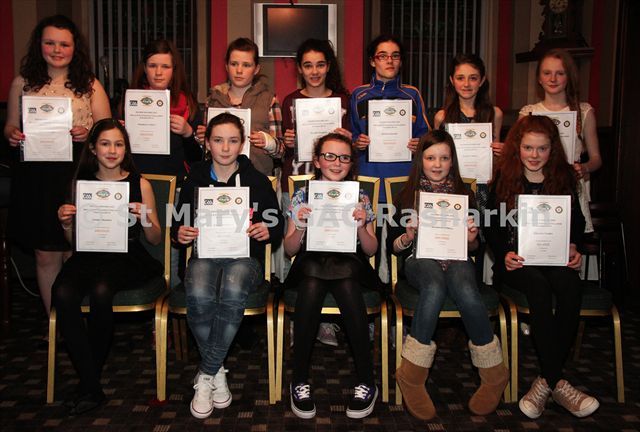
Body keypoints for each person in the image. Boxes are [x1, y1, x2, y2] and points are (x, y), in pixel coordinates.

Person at [387, 130, 509, 420]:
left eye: (444, 158)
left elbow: (476, 248)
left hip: (457, 258)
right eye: (431, 158)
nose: (437, 164)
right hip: (420, 259)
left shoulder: (465, 195)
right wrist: (407, 235)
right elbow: (393, 246)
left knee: (466, 288)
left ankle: (494, 373)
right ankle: (412, 375)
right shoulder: (406, 195)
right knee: (434, 285)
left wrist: (472, 238)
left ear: (452, 160)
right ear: (421, 160)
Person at [484, 115, 599, 419]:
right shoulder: (504, 177)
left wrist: (573, 246)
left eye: (542, 148)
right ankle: (558, 382)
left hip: (553, 259)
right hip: (517, 264)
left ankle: (547, 380)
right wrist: (504, 253)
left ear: (553, 150)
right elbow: (492, 226)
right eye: (528, 148)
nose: (534, 155)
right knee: (537, 285)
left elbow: (576, 222)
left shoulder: (564, 178)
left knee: (570, 284)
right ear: (517, 148)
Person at [173, 113, 284, 419]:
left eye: (233, 141)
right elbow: (179, 222)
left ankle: (206, 374)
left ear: (242, 144)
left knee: (233, 286)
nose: (225, 147)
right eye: (218, 140)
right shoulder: (194, 179)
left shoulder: (256, 180)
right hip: (205, 256)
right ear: (207, 143)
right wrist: (180, 233)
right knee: (198, 290)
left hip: (244, 259)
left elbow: (276, 223)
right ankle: (218, 370)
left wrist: (267, 229)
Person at [53, 119, 163, 415]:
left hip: (126, 256)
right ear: (92, 148)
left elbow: (155, 238)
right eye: (105, 144)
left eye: (118, 144)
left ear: (126, 149)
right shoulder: (80, 184)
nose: (112, 150)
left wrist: (145, 217)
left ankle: (88, 386)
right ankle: (91, 384)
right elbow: (73, 241)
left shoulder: (140, 184)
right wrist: (66, 223)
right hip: (88, 255)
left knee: (102, 291)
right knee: (62, 293)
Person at [3, 15, 111, 317]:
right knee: (44, 254)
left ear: (75, 47)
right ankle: (57, 324)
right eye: (50, 43)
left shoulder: (90, 85)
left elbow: (107, 131)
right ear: (39, 45)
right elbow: (10, 125)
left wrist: (88, 132)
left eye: (64, 44)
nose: (57, 49)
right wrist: (12, 134)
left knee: (74, 251)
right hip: (35, 177)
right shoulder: (22, 83)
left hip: (76, 174)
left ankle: (78, 321)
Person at [284, 133, 379, 419]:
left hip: (350, 262)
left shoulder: (360, 196)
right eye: (329, 156)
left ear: (351, 163)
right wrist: (300, 225)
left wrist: (362, 225)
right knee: (313, 280)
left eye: (344, 158)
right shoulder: (303, 195)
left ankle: (366, 381)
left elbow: (371, 249)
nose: (337, 163)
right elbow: (290, 249)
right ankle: (299, 380)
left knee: (344, 280)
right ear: (317, 161)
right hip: (310, 262)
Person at [280, 38, 352, 345]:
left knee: (332, 248)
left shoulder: (344, 100)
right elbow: (282, 149)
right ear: (300, 68)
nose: (314, 71)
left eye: (320, 64)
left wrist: (349, 137)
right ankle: (301, 316)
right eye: (308, 65)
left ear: (328, 66)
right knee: (299, 252)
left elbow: (352, 149)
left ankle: (326, 322)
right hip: (298, 181)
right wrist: (285, 141)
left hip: (334, 185)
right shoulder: (289, 101)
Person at [519, 48, 602, 233]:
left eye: (560, 73)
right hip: (536, 187)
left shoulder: (584, 112)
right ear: (539, 78)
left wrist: (584, 168)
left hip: (570, 186)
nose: (553, 79)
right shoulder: (528, 113)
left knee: (570, 237)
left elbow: (596, 159)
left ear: (569, 76)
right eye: (547, 73)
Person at [350, 34, 430, 203]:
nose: (389, 61)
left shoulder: (412, 94)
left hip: (403, 176)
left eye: (395, 56)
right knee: (369, 220)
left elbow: (426, 136)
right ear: (372, 61)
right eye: (382, 56)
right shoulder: (358, 95)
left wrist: (420, 144)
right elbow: (351, 134)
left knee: (402, 220)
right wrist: (357, 143)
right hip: (368, 176)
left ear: (401, 61)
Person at [196, 38, 283, 176]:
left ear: (256, 69)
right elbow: (206, 149)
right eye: (234, 64)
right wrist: (202, 138)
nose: (239, 70)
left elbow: (281, 151)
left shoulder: (269, 100)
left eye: (246, 65)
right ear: (226, 66)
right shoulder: (213, 100)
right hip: (219, 178)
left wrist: (268, 142)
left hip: (258, 176)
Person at [128, 39, 203, 183]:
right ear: (144, 68)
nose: (158, 72)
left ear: (174, 69)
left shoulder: (188, 105)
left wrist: (188, 133)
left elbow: (198, 159)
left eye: (165, 66)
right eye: (152, 66)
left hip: (177, 183)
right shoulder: (130, 103)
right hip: (138, 181)